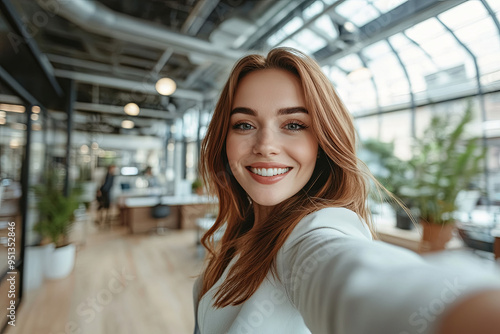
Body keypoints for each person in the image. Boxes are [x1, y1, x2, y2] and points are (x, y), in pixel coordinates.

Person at [194, 48, 500, 334]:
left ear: (323, 143)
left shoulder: (314, 234)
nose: (265, 146)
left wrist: (463, 306)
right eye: (245, 125)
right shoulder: (243, 233)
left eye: (294, 125)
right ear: (225, 139)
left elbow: (356, 275)